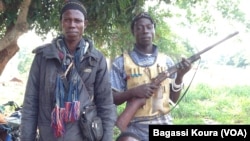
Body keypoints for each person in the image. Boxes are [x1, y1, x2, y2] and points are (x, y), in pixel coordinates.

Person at [20, 0, 116, 141]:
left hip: (84, 136)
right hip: (50, 136)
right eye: (67, 20)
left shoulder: (95, 59)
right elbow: (30, 104)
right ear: (61, 23)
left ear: (85, 24)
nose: (72, 25)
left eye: (77, 20)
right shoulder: (44, 57)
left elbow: (105, 105)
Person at [110, 12, 192, 141]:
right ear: (133, 32)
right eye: (139, 28)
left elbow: (173, 100)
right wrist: (134, 92)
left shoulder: (167, 61)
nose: (145, 31)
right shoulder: (121, 62)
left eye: (149, 27)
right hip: (134, 128)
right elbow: (113, 98)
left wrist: (180, 77)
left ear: (154, 30)